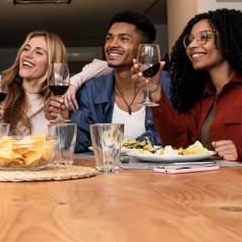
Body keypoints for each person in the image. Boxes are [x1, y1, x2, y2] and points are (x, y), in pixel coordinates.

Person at [133, 9, 242, 166]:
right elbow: (179, 146)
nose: (192, 45)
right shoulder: (201, 96)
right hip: (206, 187)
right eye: (189, 40)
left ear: (229, 40)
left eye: (204, 38)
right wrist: (156, 95)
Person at [66, 11, 170, 153]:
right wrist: (65, 119)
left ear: (143, 48)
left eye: (124, 39)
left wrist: (118, 145)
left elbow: (174, 138)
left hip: (158, 173)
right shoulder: (92, 89)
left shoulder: (167, 84)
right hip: (108, 172)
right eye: (109, 38)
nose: (112, 44)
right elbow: (78, 144)